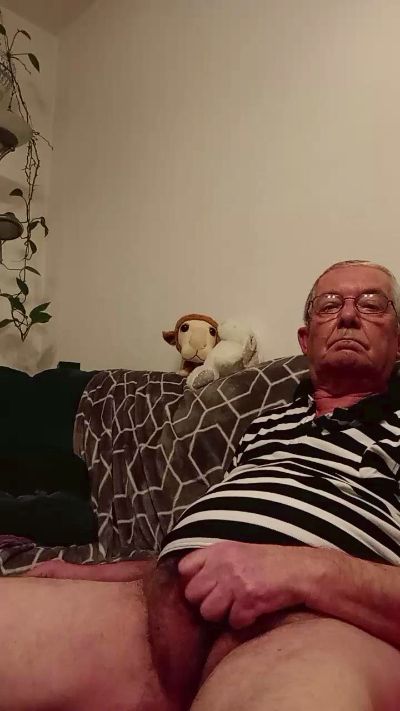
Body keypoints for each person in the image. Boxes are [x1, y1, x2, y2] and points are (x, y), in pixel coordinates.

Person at [4, 258, 400, 711]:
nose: (347, 315)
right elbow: (215, 546)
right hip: (149, 622)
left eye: (372, 303)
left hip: (308, 628)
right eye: (328, 304)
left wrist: (302, 571)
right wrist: (90, 573)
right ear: (305, 340)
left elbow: (259, 558)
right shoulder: (266, 424)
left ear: (399, 341)